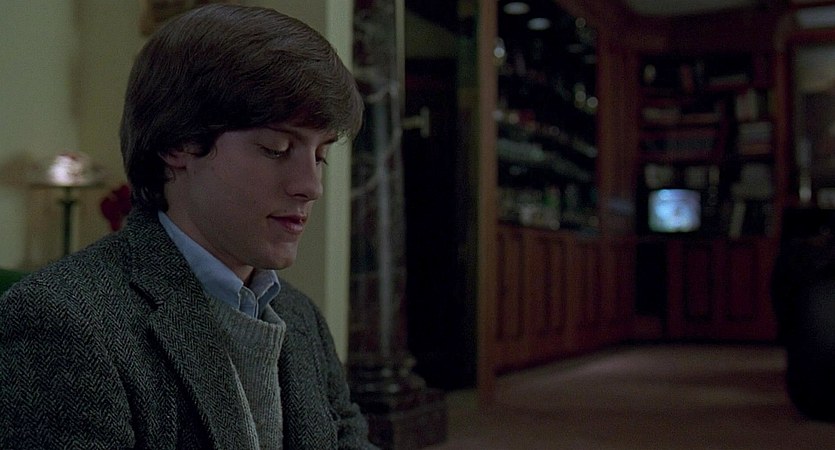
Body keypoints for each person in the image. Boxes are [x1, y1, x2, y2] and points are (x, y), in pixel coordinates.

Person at [0, 4, 377, 449]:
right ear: (178, 144)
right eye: (276, 148)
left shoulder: (300, 316)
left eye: (320, 156)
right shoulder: (64, 320)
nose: (311, 187)